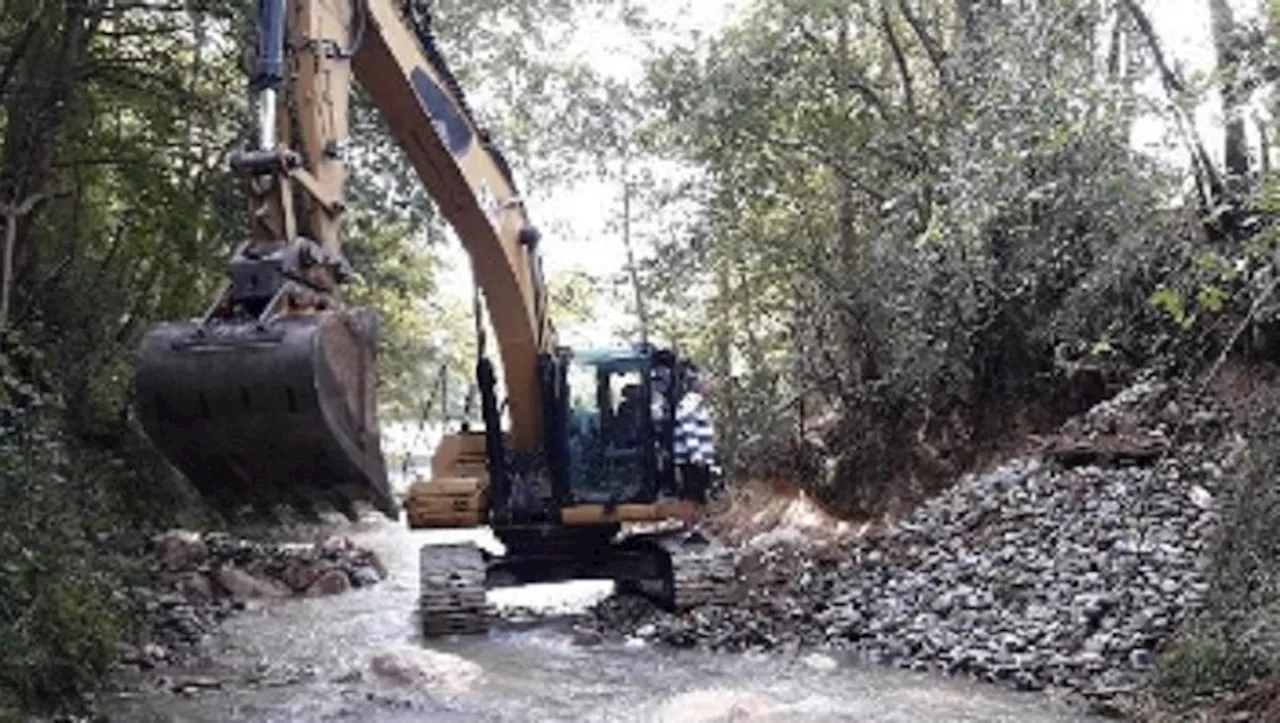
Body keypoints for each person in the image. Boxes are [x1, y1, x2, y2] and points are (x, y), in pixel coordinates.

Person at [674, 370, 717, 505]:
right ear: (699, 385)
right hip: (692, 461)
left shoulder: (698, 404)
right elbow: (689, 430)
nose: (712, 385)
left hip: (698, 459)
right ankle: (692, 523)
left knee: (700, 494)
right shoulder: (689, 404)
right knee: (693, 494)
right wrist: (696, 456)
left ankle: (695, 522)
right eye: (709, 382)